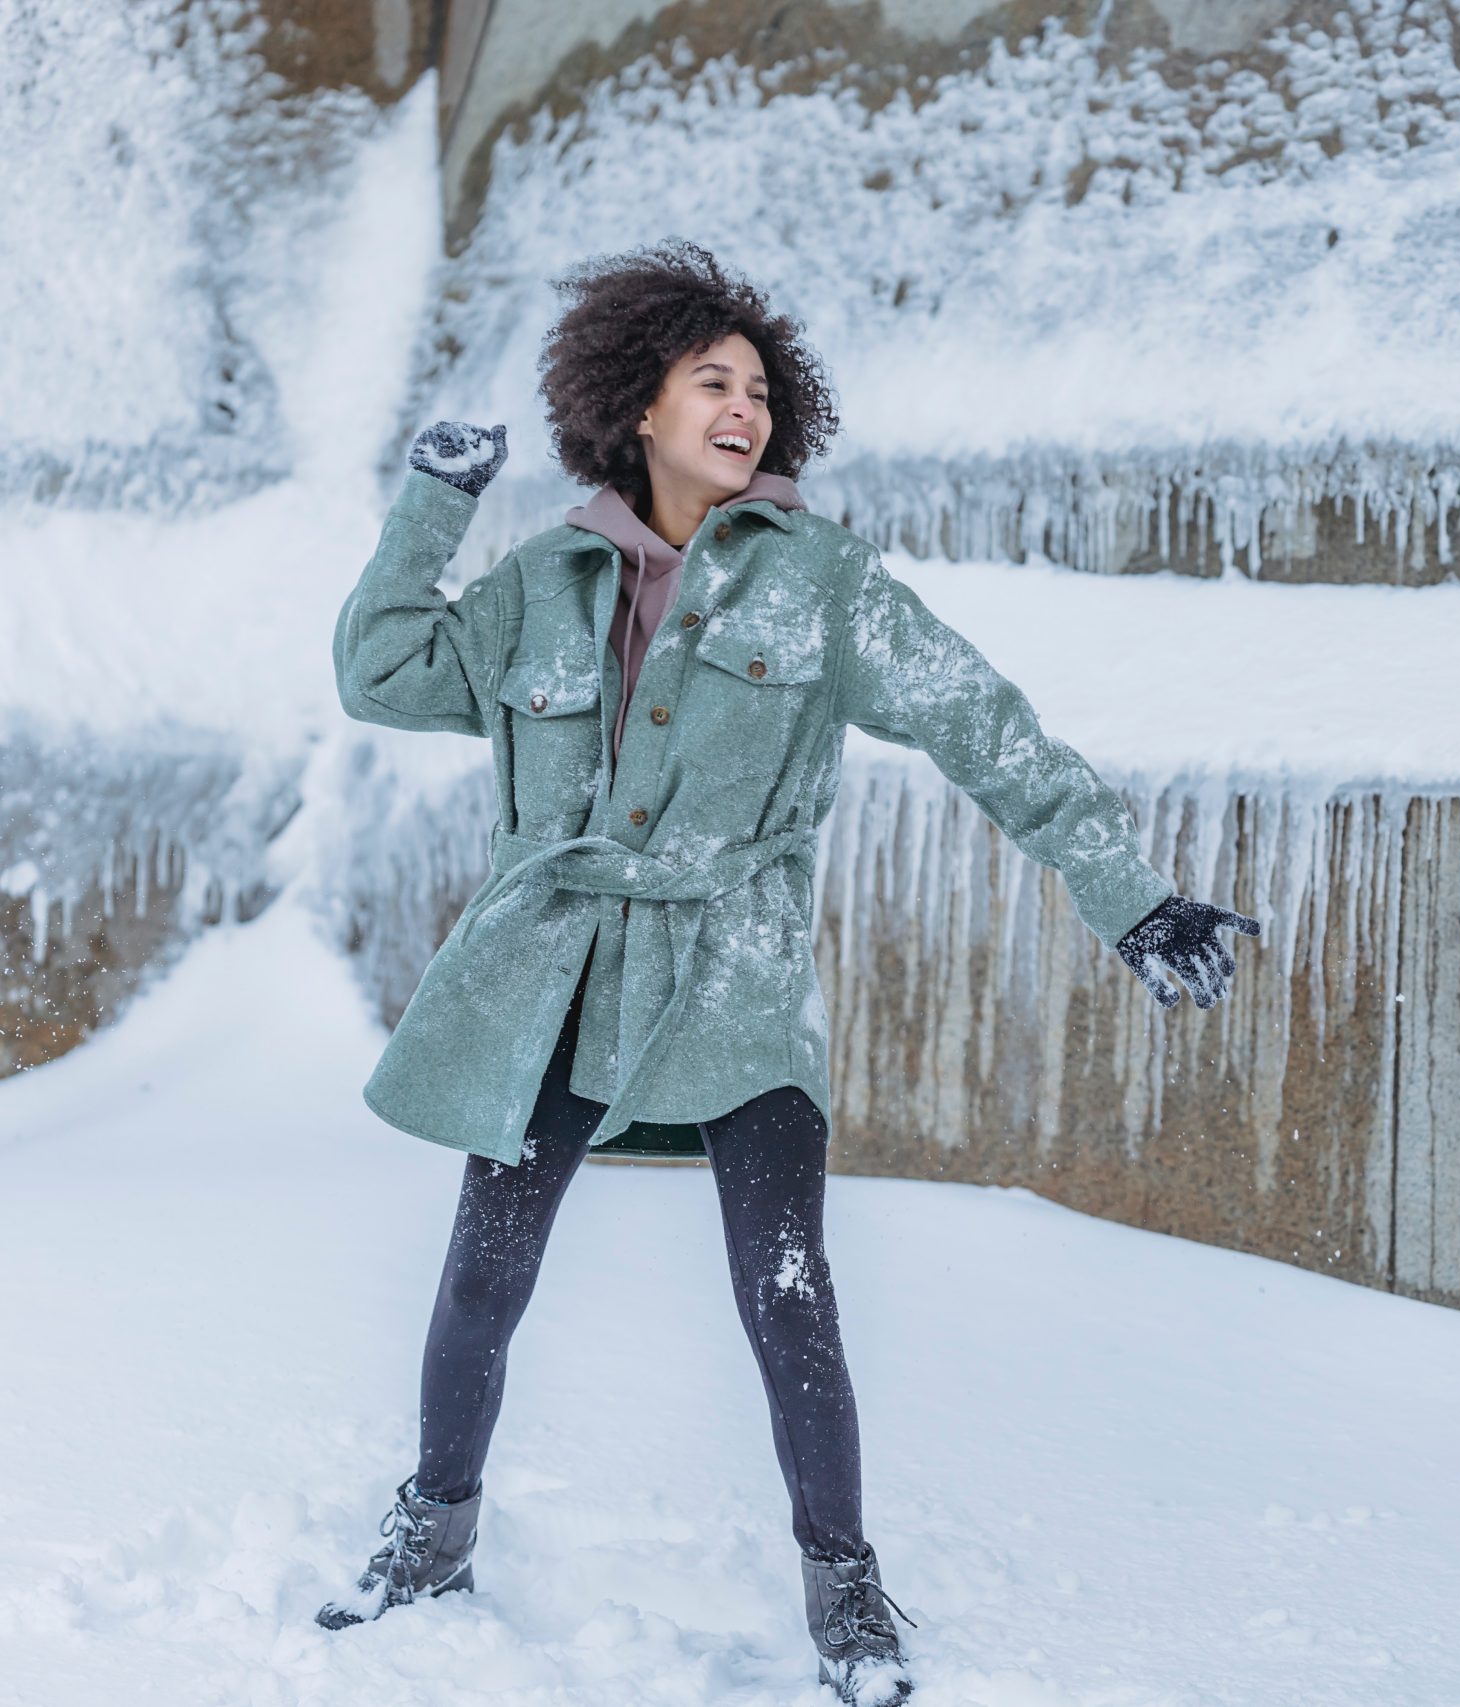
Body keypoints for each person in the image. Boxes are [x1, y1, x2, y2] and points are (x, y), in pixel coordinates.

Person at [319, 240, 1259, 1705]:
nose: (742, 408)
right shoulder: (542, 584)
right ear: (640, 405)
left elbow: (982, 727)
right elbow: (380, 673)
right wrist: (434, 499)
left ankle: (846, 1586)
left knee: (789, 1288)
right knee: (485, 1277)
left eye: (759, 388)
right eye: (712, 382)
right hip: (554, 976)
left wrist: (1128, 897)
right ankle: (431, 1536)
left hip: (735, 977)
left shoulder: (818, 584)